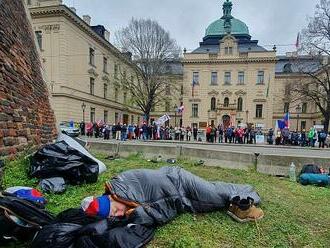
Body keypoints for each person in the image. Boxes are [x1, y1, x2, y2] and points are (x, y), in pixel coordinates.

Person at [81, 166, 264, 224]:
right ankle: (238, 198)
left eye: (115, 211)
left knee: (218, 194)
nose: (119, 215)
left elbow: (160, 213)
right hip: (179, 192)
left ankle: (247, 198)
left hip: (180, 184)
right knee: (216, 190)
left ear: (111, 198)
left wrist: (135, 214)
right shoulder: (120, 193)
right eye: (114, 216)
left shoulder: (125, 187)